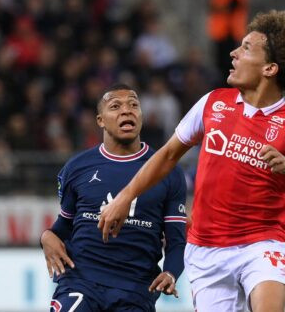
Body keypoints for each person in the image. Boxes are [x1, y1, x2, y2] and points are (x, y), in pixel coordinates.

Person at [99, 10, 285, 312]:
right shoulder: (214, 103)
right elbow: (169, 154)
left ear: (270, 68)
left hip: (261, 245)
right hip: (206, 250)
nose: (234, 53)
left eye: (247, 48)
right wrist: (125, 196)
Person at [41, 84, 186, 312]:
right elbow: (64, 226)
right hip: (80, 282)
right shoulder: (77, 168)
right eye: (115, 106)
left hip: (135, 290)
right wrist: (47, 237)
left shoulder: (167, 170)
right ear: (100, 120)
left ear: (141, 116)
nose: (126, 111)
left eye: (134, 105)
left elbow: (177, 240)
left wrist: (171, 272)